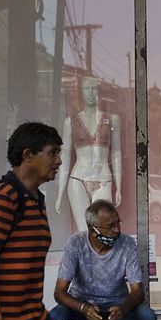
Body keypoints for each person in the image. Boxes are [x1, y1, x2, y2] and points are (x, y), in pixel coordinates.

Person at [0, 122, 62, 320]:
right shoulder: (4, 196)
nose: (59, 161)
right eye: (53, 153)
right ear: (28, 155)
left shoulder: (35, 198)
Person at [55, 76, 122, 230]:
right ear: (81, 92)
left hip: (103, 178)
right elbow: (64, 155)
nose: (91, 93)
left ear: (98, 91)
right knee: (83, 231)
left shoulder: (112, 119)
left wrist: (119, 186)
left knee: (103, 228)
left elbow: (116, 153)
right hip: (78, 178)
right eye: (87, 88)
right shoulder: (70, 122)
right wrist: (60, 192)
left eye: (94, 88)